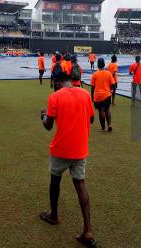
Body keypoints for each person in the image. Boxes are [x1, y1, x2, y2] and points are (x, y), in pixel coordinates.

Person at [39, 72, 96, 247]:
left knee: (55, 181)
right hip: (80, 149)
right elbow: (91, 119)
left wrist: (42, 115)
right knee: (80, 185)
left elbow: (48, 126)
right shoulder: (85, 93)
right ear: (70, 81)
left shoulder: (54, 97)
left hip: (61, 149)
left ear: (56, 82)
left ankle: (54, 216)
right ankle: (87, 231)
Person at [91, 58, 115, 132]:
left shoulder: (95, 74)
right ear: (104, 64)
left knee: (101, 111)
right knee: (107, 110)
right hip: (107, 95)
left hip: (98, 96)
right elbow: (113, 84)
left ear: (98, 65)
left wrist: (92, 96)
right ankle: (109, 125)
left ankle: (103, 128)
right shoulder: (108, 73)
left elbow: (92, 87)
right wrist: (109, 90)